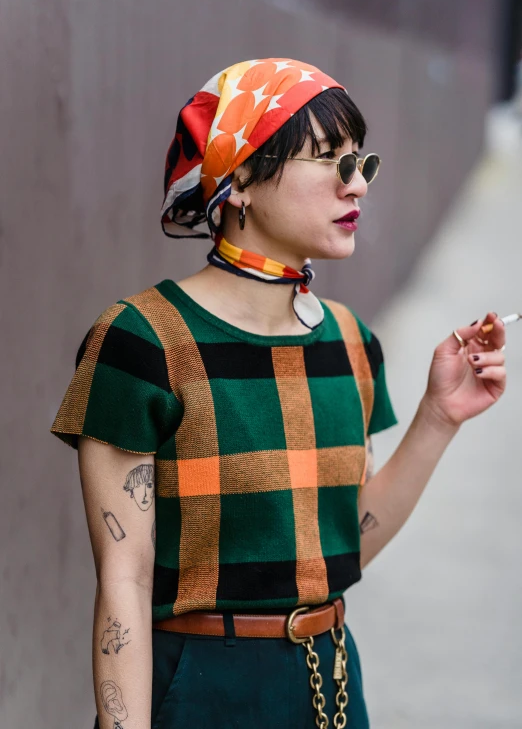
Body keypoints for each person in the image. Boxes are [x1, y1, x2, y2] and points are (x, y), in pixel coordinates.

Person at [50, 58, 507, 729]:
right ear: (239, 180)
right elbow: (125, 578)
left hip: (329, 684)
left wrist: (439, 416)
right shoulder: (142, 339)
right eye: (329, 160)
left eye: (361, 162)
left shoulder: (349, 341)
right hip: (197, 689)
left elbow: (338, 546)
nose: (358, 185)